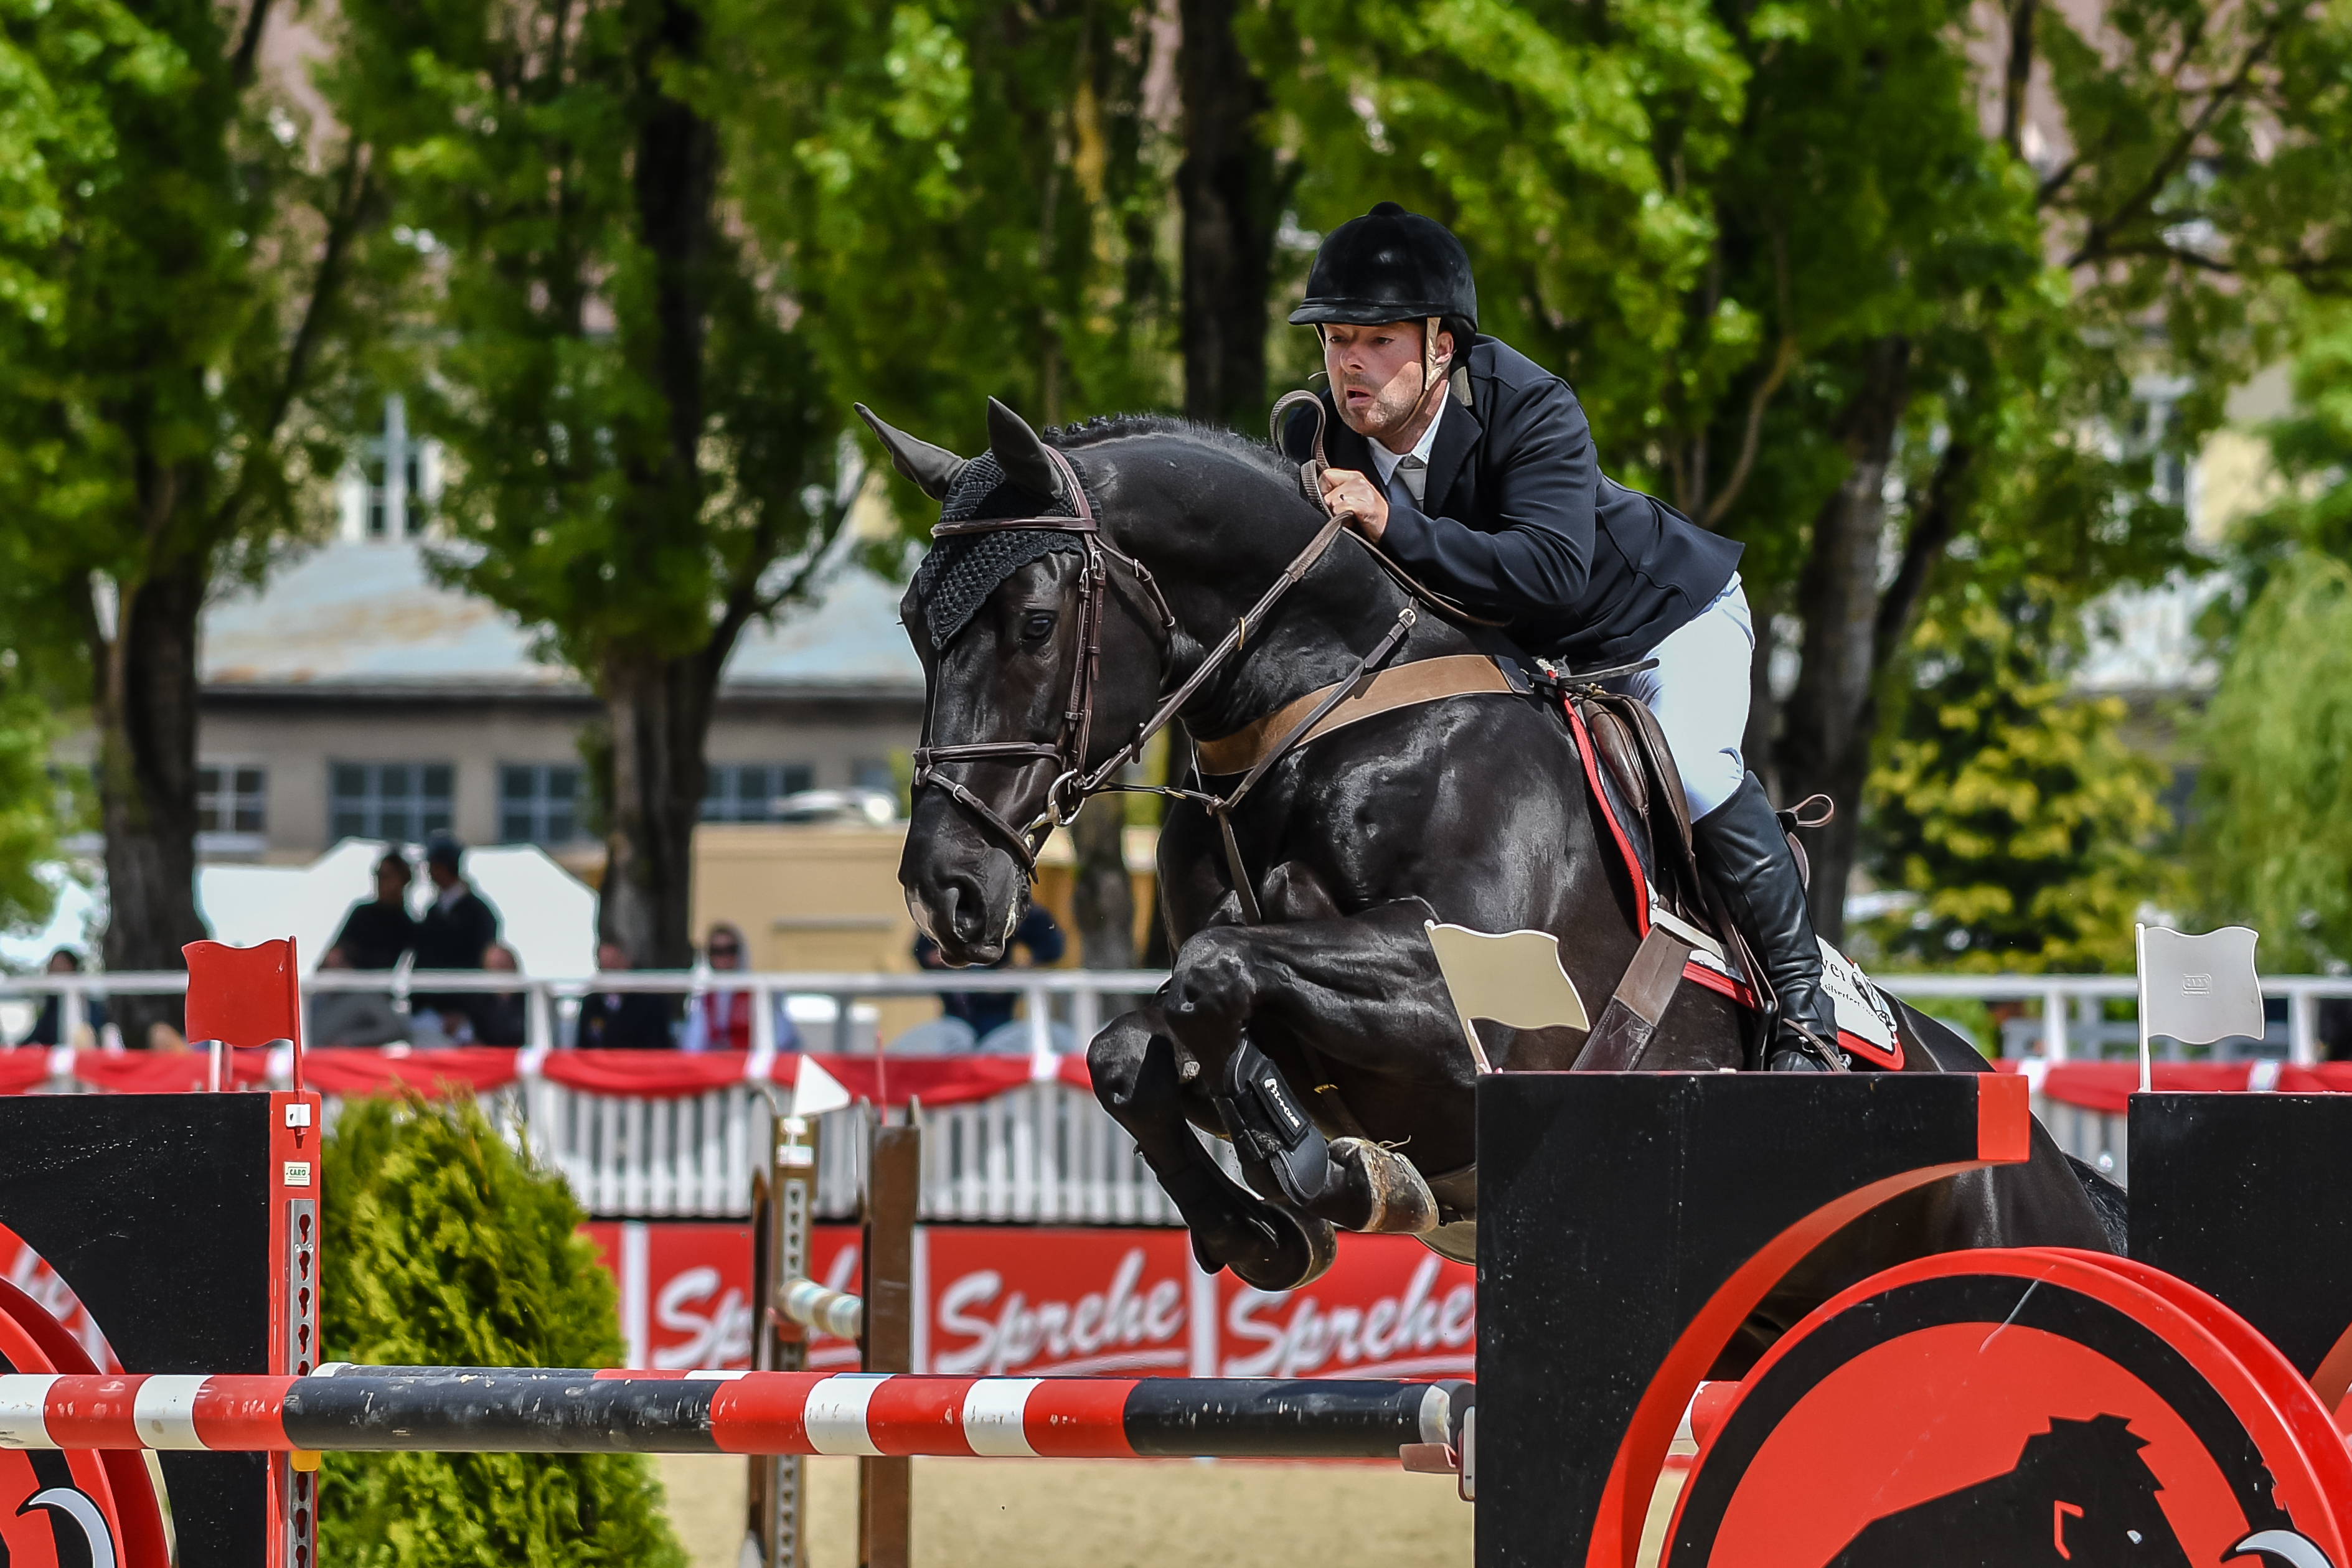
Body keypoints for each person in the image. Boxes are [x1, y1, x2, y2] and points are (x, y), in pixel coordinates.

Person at [1282, 202, 1835, 1071]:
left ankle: (1805, 1010)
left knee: (1691, 769)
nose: (1348, 360)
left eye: (1376, 338)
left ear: (1440, 345)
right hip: (1536, 663)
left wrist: (1391, 522)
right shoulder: (1316, 433)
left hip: (1659, 623)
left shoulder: (1526, 403)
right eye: (1334, 338)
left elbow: (1547, 572)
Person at [913, 905, 1065, 1045]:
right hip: (956, 1007)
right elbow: (922, 953)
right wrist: (948, 958)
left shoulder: (1005, 906)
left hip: (995, 1008)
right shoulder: (946, 906)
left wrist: (1018, 969)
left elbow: (1052, 944)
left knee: (995, 1056)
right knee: (955, 1051)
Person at [412, 833, 500, 1033]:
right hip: (429, 1012)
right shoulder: (434, 911)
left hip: (464, 1017)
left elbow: (478, 966)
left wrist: (464, 1012)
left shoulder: (477, 913)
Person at [575, 941, 674, 1049]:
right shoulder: (592, 1004)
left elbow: (658, 1047)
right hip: (600, 1065)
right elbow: (583, 1049)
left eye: (614, 965)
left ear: (627, 961)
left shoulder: (651, 1002)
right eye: (605, 968)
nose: (611, 974)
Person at [329, 852, 418, 972]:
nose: (381, 881)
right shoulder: (361, 913)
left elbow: (389, 963)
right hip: (342, 982)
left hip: (376, 987)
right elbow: (336, 952)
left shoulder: (406, 926)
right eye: (378, 875)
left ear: (402, 880)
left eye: (387, 876)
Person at [19, 948, 107, 1048]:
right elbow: (39, 1035)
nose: (54, 970)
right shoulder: (53, 1005)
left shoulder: (92, 1006)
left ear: (72, 968)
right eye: (52, 966)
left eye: (60, 965)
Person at [466, 944, 529, 1047]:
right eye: (494, 966)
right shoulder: (478, 1004)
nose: (499, 970)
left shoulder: (531, 1001)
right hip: (489, 1060)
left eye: (503, 965)